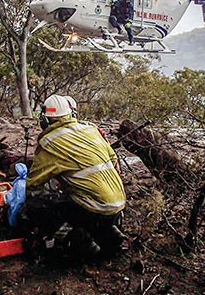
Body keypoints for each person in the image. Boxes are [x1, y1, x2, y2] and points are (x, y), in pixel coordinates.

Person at [18, 94, 127, 261]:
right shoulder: (91, 130)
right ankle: (110, 234)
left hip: (94, 208)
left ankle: (82, 243)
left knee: (36, 206)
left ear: (45, 119)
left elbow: (33, 185)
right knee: (80, 201)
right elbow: (114, 161)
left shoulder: (49, 142)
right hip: (118, 204)